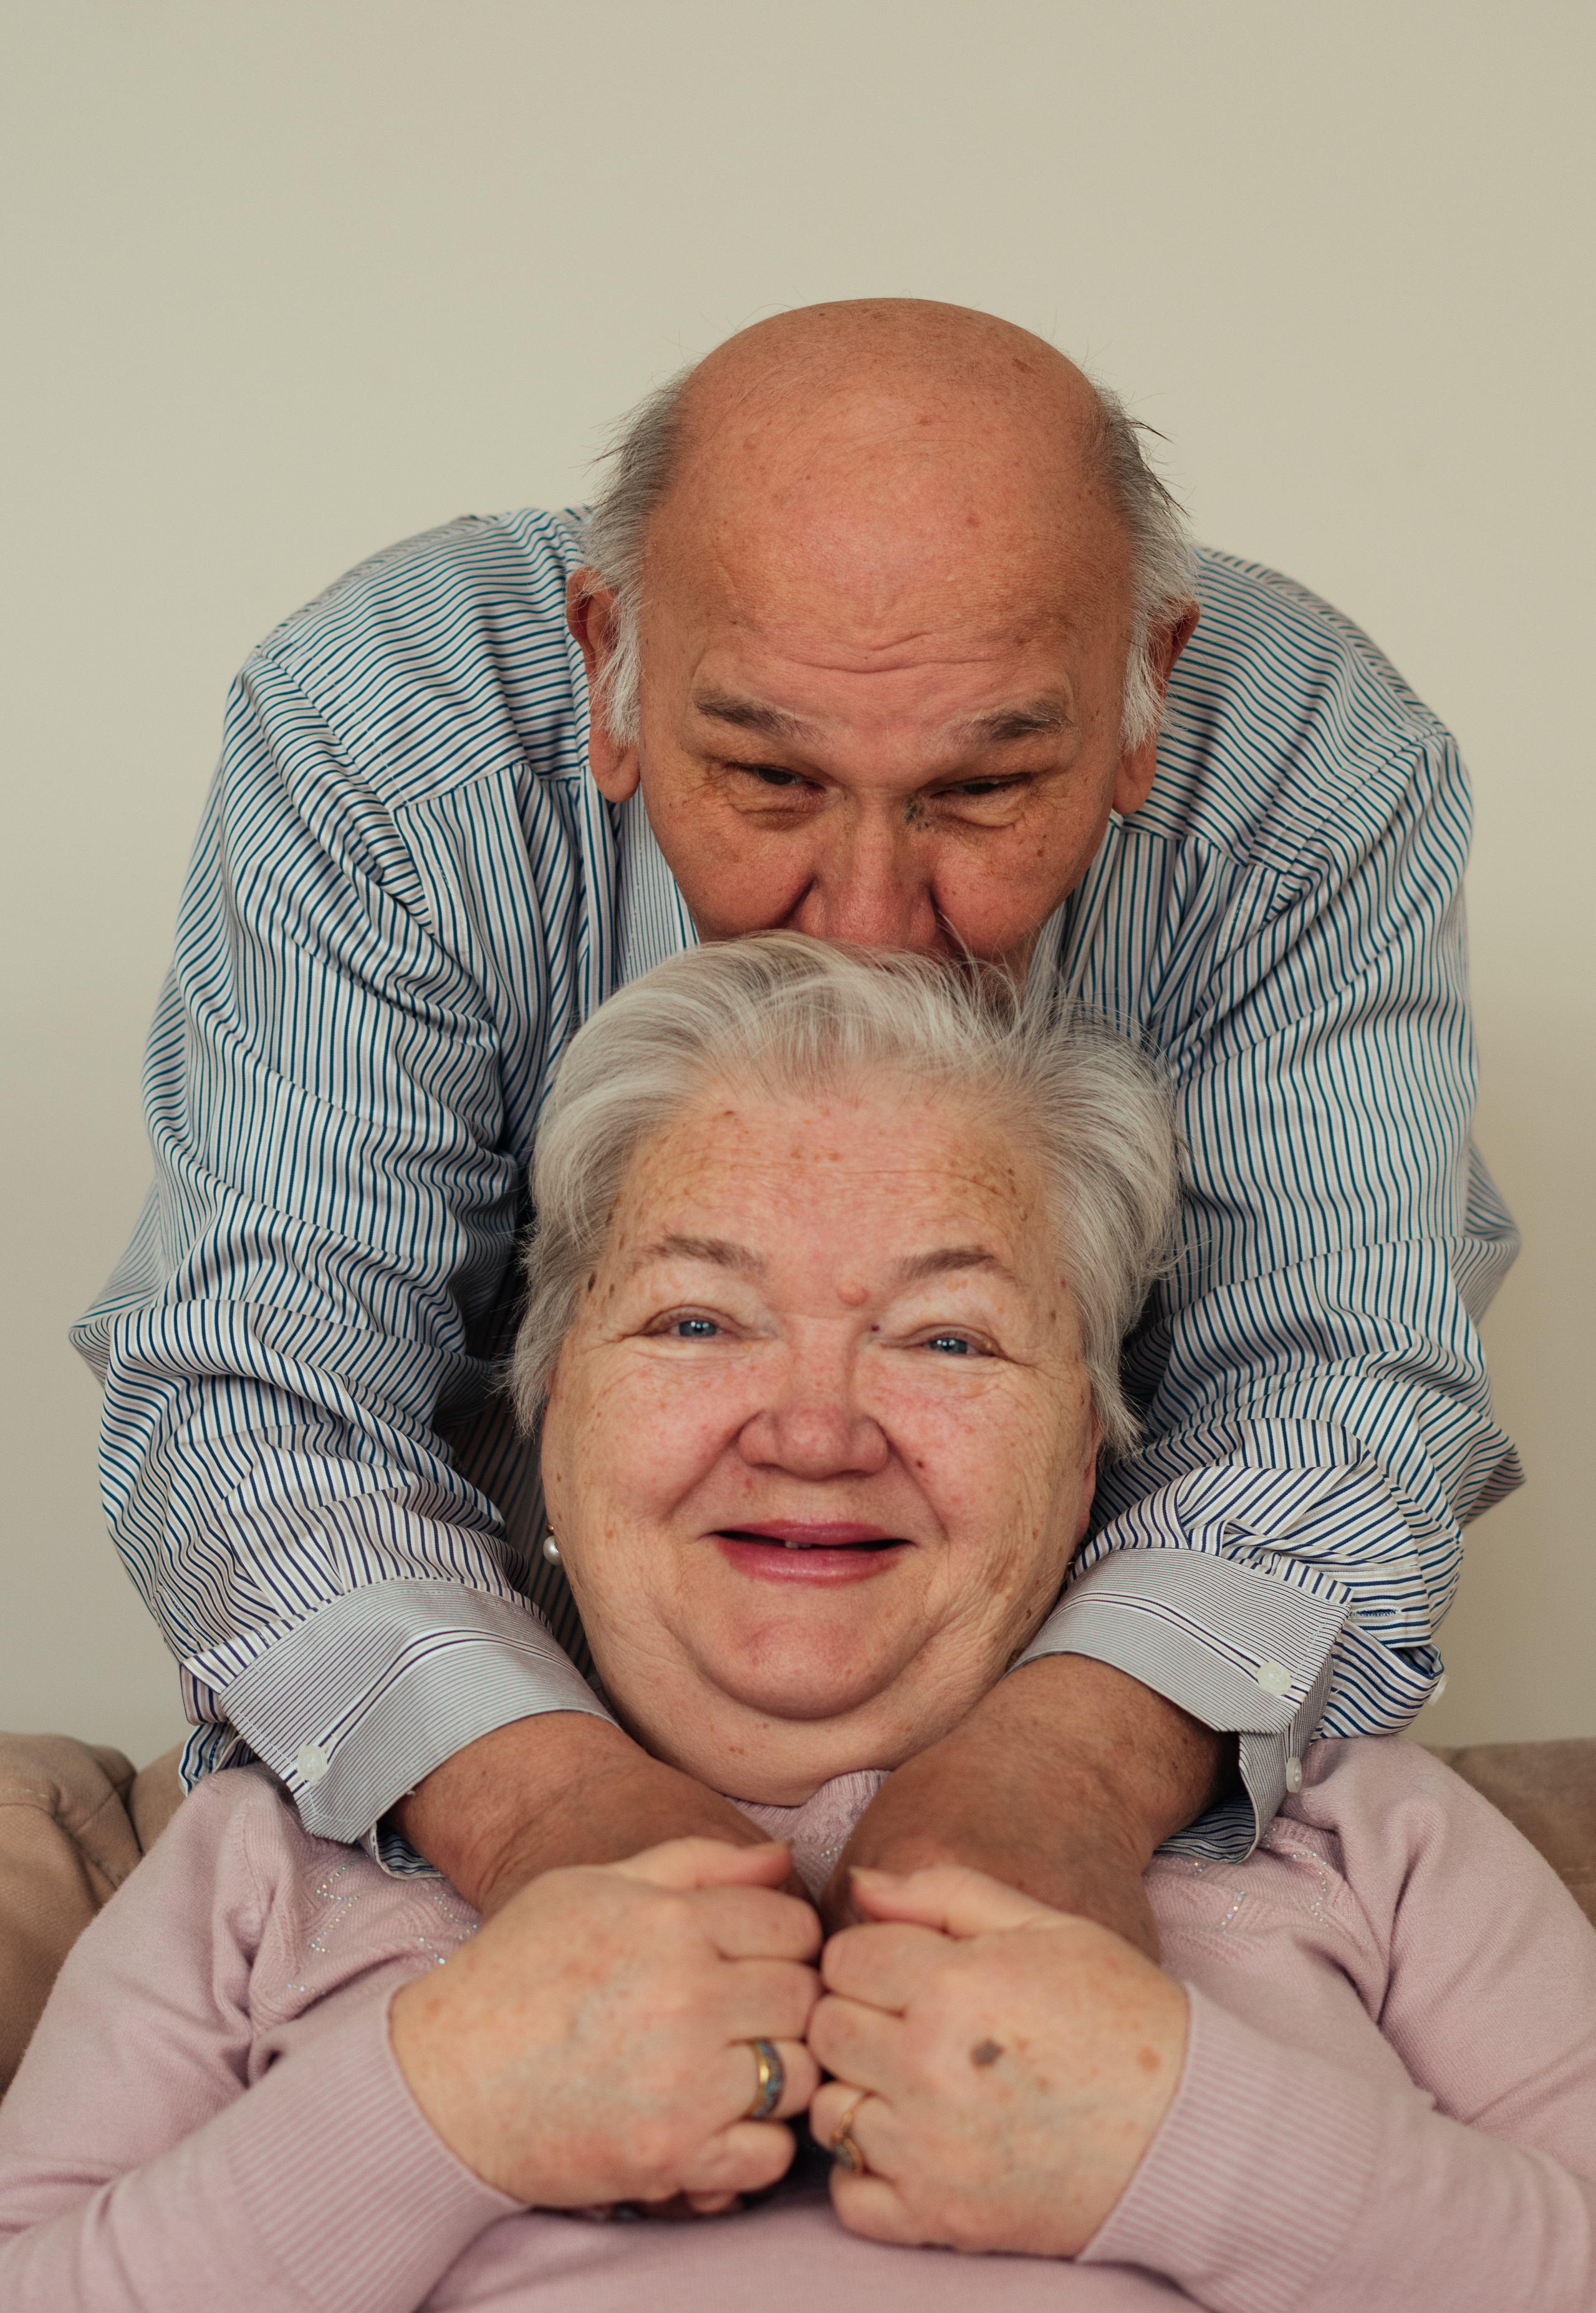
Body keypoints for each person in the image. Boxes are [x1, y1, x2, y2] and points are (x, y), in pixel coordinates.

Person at [69, 298, 1521, 1941]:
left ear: (1146, 701)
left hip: (1096, 1797)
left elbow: (1339, 1384)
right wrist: (553, 1812)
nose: (867, 923)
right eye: (769, 782)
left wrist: (1057, 1784)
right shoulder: (380, 727)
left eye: (979, 795)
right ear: (610, 668)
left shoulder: (1314, 769)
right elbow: (260, 1391)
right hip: (466, 1788)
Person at [7, 940, 1590, 2313]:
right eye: (697, 1323)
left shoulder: (1360, 1833)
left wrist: (1191, 2145)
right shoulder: (266, 1853)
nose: (814, 1431)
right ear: (550, 1404)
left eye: (948, 1339)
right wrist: (441, 2112)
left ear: (1099, 1445)